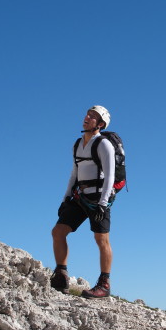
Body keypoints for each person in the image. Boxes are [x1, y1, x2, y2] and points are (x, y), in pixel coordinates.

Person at [51, 105, 115, 298]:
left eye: (93, 116)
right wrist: (66, 197)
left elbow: (110, 175)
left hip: (98, 198)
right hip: (80, 196)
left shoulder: (104, 144)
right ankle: (61, 276)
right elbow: (74, 172)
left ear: (100, 124)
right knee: (58, 231)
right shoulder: (77, 144)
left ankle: (104, 284)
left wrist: (103, 203)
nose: (87, 117)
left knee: (101, 239)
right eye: (87, 114)